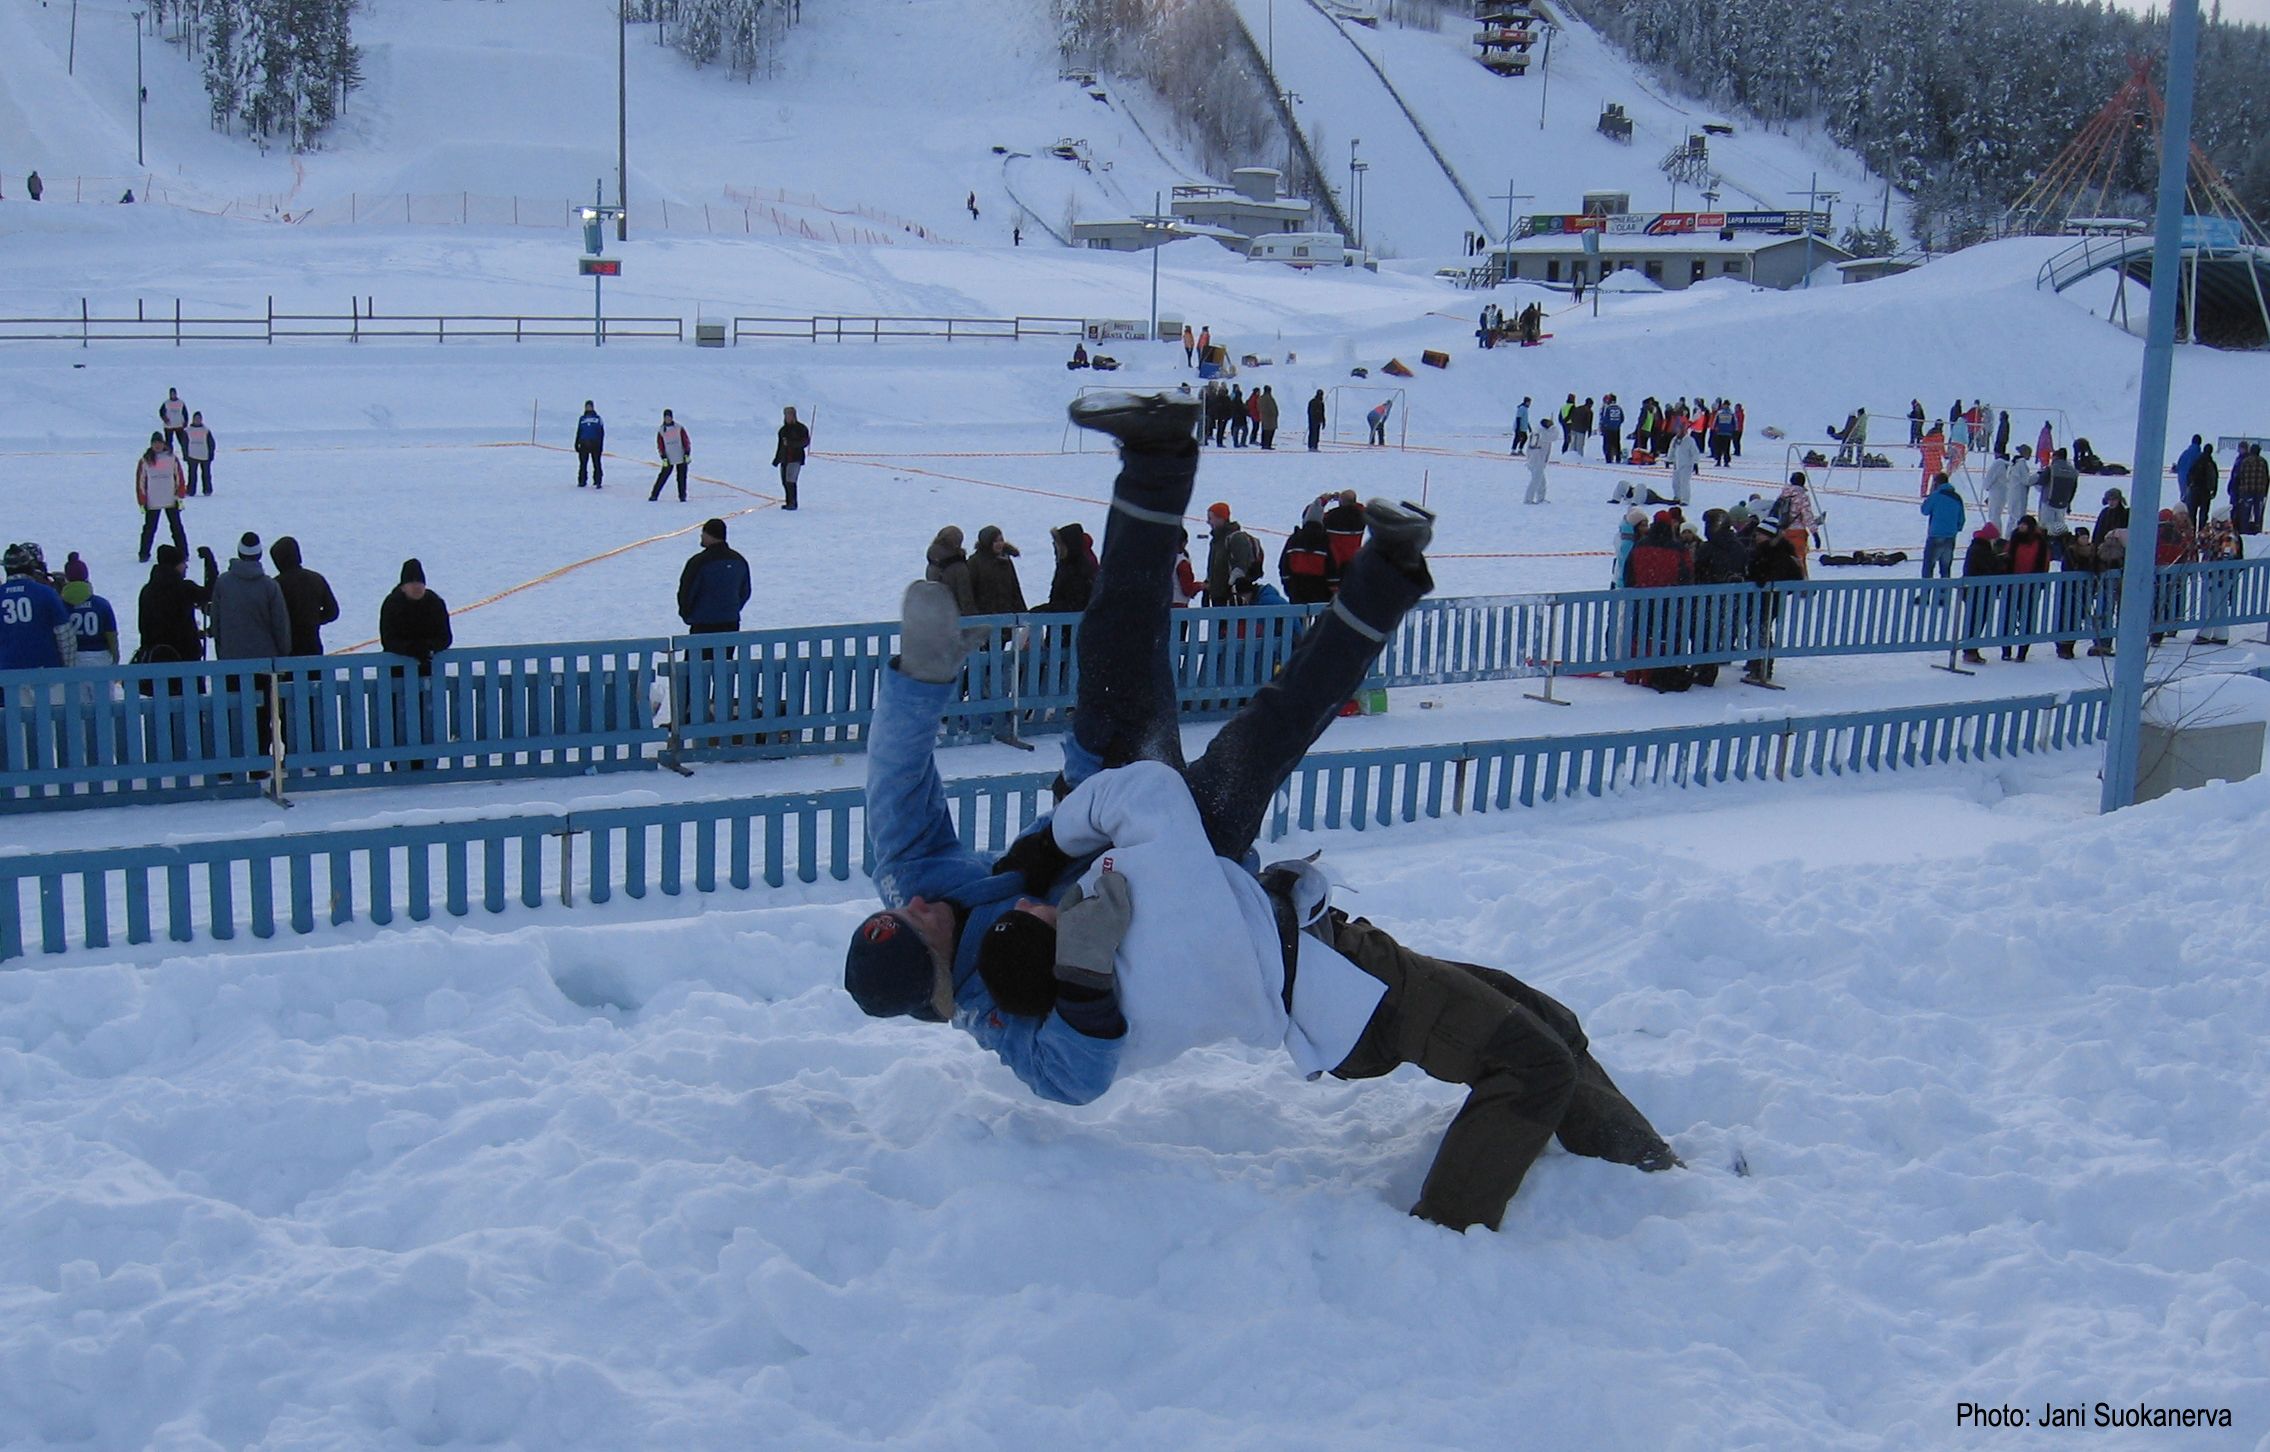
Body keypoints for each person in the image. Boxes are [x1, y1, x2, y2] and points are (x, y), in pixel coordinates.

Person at [846, 390, 1674, 1233]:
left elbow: (895, 789)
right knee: (1268, 727)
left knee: (1121, 649)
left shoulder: (919, 887)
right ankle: (1386, 569)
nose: (915, 905)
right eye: (917, 926)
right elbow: (1074, 1076)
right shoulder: (993, 1012)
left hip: (1117, 813)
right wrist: (1084, 972)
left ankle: (1160, 454)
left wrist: (921, 680)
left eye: (903, 908)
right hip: (1191, 883)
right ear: (939, 976)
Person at [208, 531, 292, 760]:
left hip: (231, 661)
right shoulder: (269, 586)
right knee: (261, 714)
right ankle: (259, 759)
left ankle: (231, 761)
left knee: (232, 711)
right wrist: (282, 655)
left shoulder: (223, 583)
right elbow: (280, 625)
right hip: (264, 662)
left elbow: (215, 622)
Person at [380, 560, 452, 766]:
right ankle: (399, 760)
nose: (417, 587)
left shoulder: (434, 603)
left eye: (420, 583)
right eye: (412, 583)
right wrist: (413, 649)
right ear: (403, 585)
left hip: (428, 671)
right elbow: (388, 639)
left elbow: (445, 637)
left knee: (427, 714)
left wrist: (428, 648)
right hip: (398, 672)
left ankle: (426, 759)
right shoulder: (392, 604)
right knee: (400, 715)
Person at [1742, 517, 1803, 685]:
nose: (1757, 537)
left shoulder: (1776, 554)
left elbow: (1783, 576)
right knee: (1758, 630)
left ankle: (1762, 666)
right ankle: (1756, 662)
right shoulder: (1764, 551)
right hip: (1760, 599)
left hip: (1767, 599)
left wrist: (1764, 580)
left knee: (1761, 631)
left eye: (1761, 534)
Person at [138, 544, 216, 670]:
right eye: (183, 563)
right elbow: (211, 592)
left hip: (155, 660)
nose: (186, 566)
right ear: (175, 565)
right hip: (185, 658)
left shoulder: (147, 591)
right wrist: (210, 562)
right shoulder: (184, 588)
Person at [0, 542, 76, 671]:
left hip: (8, 673)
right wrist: (67, 667)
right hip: (47, 669)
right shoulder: (46, 593)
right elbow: (64, 633)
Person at [270, 536, 340, 658]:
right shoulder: (316, 579)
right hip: (313, 645)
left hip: (287, 649)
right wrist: (313, 619)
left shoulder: (276, 585)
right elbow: (333, 612)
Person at [2000, 516, 2052, 661]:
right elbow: (2006, 558)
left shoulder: (2040, 543)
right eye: (2020, 525)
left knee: (2028, 618)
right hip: (2012, 585)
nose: (2021, 527)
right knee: (2008, 618)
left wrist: (2040, 581)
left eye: (2024, 525)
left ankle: (2023, 651)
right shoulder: (2014, 539)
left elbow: (2044, 563)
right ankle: (2006, 650)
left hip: (2031, 586)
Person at [135, 430, 189, 563]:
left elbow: (179, 477)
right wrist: (142, 500)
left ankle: (183, 553)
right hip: (153, 500)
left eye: (159, 443)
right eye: (154, 443)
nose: (157, 446)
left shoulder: (171, 458)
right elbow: (140, 482)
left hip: (171, 498)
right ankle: (144, 553)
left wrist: (180, 494)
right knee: (149, 529)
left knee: (176, 528)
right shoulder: (145, 460)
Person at [60, 555, 119, 669]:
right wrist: (115, 656)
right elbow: (111, 634)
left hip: (73, 658)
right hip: (100, 657)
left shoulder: (60, 605)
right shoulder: (102, 604)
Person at [1958, 523, 2007, 664]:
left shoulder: (1977, 547)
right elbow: (1989, 569)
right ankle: (1970, 650)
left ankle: (1970, 649)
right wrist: (2001, 562)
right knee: (1976, 621)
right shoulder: (1981, 550)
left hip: (1976, 591)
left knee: (1974, 620)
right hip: (1979, 591)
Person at [1203, 502, 1263, 607]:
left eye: (1210, 518)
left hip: (1230, 597)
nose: (1208, 522)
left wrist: (1231, 586)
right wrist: (1209, 586)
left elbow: (1241, 565)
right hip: (1218, 596)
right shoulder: (1216, 541)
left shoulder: (1235, 538)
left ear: (1221, 518)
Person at [967, 525, 1027, 617]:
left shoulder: (1005, 560)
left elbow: (1015, 589)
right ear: (987, 542)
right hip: (984, 618)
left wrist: (1023, 613)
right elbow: (970, 592)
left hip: (1006, 615)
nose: (999, 544)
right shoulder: (974, 562)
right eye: (995, 541)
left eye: (1001, 540)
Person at [1040, 521, 1097, 614]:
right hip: (1062, 625)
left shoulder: (1078, 569)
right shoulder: (1065, 565)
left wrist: (1046, 609)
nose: (1055, 548)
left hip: (1071, 626)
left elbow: (1075, 604)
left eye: (1057, 545)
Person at [924, 525, 979, 616]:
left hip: (937, 614)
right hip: (956, 615)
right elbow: (965, 596)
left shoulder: (932, 563)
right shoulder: (959, 567)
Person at [1920, 472, 1965, 579]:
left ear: (1936, 483)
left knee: (1928, 568)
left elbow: (1924, 510)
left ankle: (1925, 594)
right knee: (1945, 569)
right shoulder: (1957, 498)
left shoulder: (1936, 496)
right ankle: (1943, 594)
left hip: (1935, 535)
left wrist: (1931, 494)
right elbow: (1961, 519)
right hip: (1950, 537)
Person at [1982, 446, 2031, 539]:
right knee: (2004, 515)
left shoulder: (1999, 463)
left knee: (1994, 515)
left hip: (1996, 491)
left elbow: (1989, 479)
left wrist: (1986, 487)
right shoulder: (2010, 465)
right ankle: (2000, 535)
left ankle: (1995, 536)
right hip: (2006, 492)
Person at [649, 408, 691, 503]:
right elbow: (660, 445)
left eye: (669, 417)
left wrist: (687, 453)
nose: (668, 419)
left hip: (681, 456)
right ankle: (654, 495)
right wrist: (663, 456)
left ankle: (682, 496)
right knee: (662, 477)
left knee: (681, 478)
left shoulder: (679, 428)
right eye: (666, 417)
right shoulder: (661, 430)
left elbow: (686, 441)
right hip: (669, 457)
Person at [774, 406, 810, 511]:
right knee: (784, 481)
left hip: (795, 459)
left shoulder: (801, 428)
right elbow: (780, 446)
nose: (788, 417)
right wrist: (777, 459)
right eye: (786, 415)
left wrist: (791, 443)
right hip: (784, 459)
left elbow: (805, 442)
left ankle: (793, 503)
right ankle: (788, 501)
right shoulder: (783, 430)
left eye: (790, 415)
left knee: (791, 481)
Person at [2230, 441, 2268, 535]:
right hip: (2259, 491)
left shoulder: (2245, 461)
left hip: (2246, 491)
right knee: (2257, 512)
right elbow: (2266, 477)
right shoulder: (2263, 462)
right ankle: (2257, 529)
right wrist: (2265, 491)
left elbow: (2240, 476)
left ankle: (2244, 530)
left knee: (2245, 512)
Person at [2184, 442, 2219, 532]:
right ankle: (2201, 533)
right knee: (2203, 514)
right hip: (2205, 492)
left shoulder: (2197, 461)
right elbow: (2214, 478)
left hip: (2195, 490)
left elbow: (2189, 474)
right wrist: (2214, 491)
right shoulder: (2211, 464)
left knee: (2192, 513)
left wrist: (2189, 485)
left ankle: (2191, 532)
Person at [182, 411, 217, 496]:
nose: (197, 420)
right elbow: (184, 444)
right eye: (196, 418)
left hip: (204, 455)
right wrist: (185, 455)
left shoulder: (206, 430)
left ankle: (207, 490)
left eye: (199, 418)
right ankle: (191, 491)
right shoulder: (187, 431)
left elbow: (211, 443)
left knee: (206, 474)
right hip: (192, 455)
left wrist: (211, 454)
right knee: (192, 475)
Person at [1522, 415, 1555, 504]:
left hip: (1535, 459)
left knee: (1541, 482)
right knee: (1536, 481)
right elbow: (1554, 436)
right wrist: (1553, 427)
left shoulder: (1537, 432)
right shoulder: (1542, 434)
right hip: (1537, 460)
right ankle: (1528, 499)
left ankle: (1540, 498)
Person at [574, 401, 606, 488]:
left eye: (590, 406)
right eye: (587, 406)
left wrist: (600, 445)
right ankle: (582, 481)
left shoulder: (598, 418)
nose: (588, 408)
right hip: (584, 443)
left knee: (596, 463)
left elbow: (601, 432)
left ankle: (598, 481)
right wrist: (576, 443)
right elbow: (579, 431)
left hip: (595, 443)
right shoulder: (582, 419)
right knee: (583, 464)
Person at [1668, 424, 1700, 506]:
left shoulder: (1689, 440)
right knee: (1675, 483)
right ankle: (1677, 497)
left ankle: (1685, 500)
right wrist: (1669, 459)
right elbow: (1672, 450)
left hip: (1686, 465)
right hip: (1677, 464)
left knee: (1684, 483)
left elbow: (1695, 452)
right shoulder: (1675, 439)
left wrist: (1696, 463)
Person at [158, 388, 190, 455]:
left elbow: (185, 413)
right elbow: (161, 412)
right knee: (169, 442)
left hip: (179, 425)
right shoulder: (166, 403)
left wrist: (185, 422)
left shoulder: (181, 403)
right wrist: (165, 419)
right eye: (171, 394)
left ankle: (186, 454)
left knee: (182, 441)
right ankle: (169, 454)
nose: (173, 395)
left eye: (174, 393)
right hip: (169, 426)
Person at [1599, 394, 1625, 464]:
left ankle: (1608, 458)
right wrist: (1617, 424)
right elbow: (1622, 418)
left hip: (1608, 429)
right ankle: (1618, 457)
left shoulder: (1608, 408)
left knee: (1608, 443)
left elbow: (1605, 419)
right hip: (1617, 429)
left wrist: (1604, 426)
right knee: (1617, 443)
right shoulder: (1619, 408)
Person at [1257, 385, 1279, 450]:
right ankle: (1267, 444)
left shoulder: (1261, 398)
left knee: (1265, 431)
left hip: (1264, 417)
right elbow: (1272, 408)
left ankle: (1264, 444)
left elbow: (1259, 407)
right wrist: (1274, 414)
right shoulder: (1269, 398)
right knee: (1270, 432)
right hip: (1270, 418)